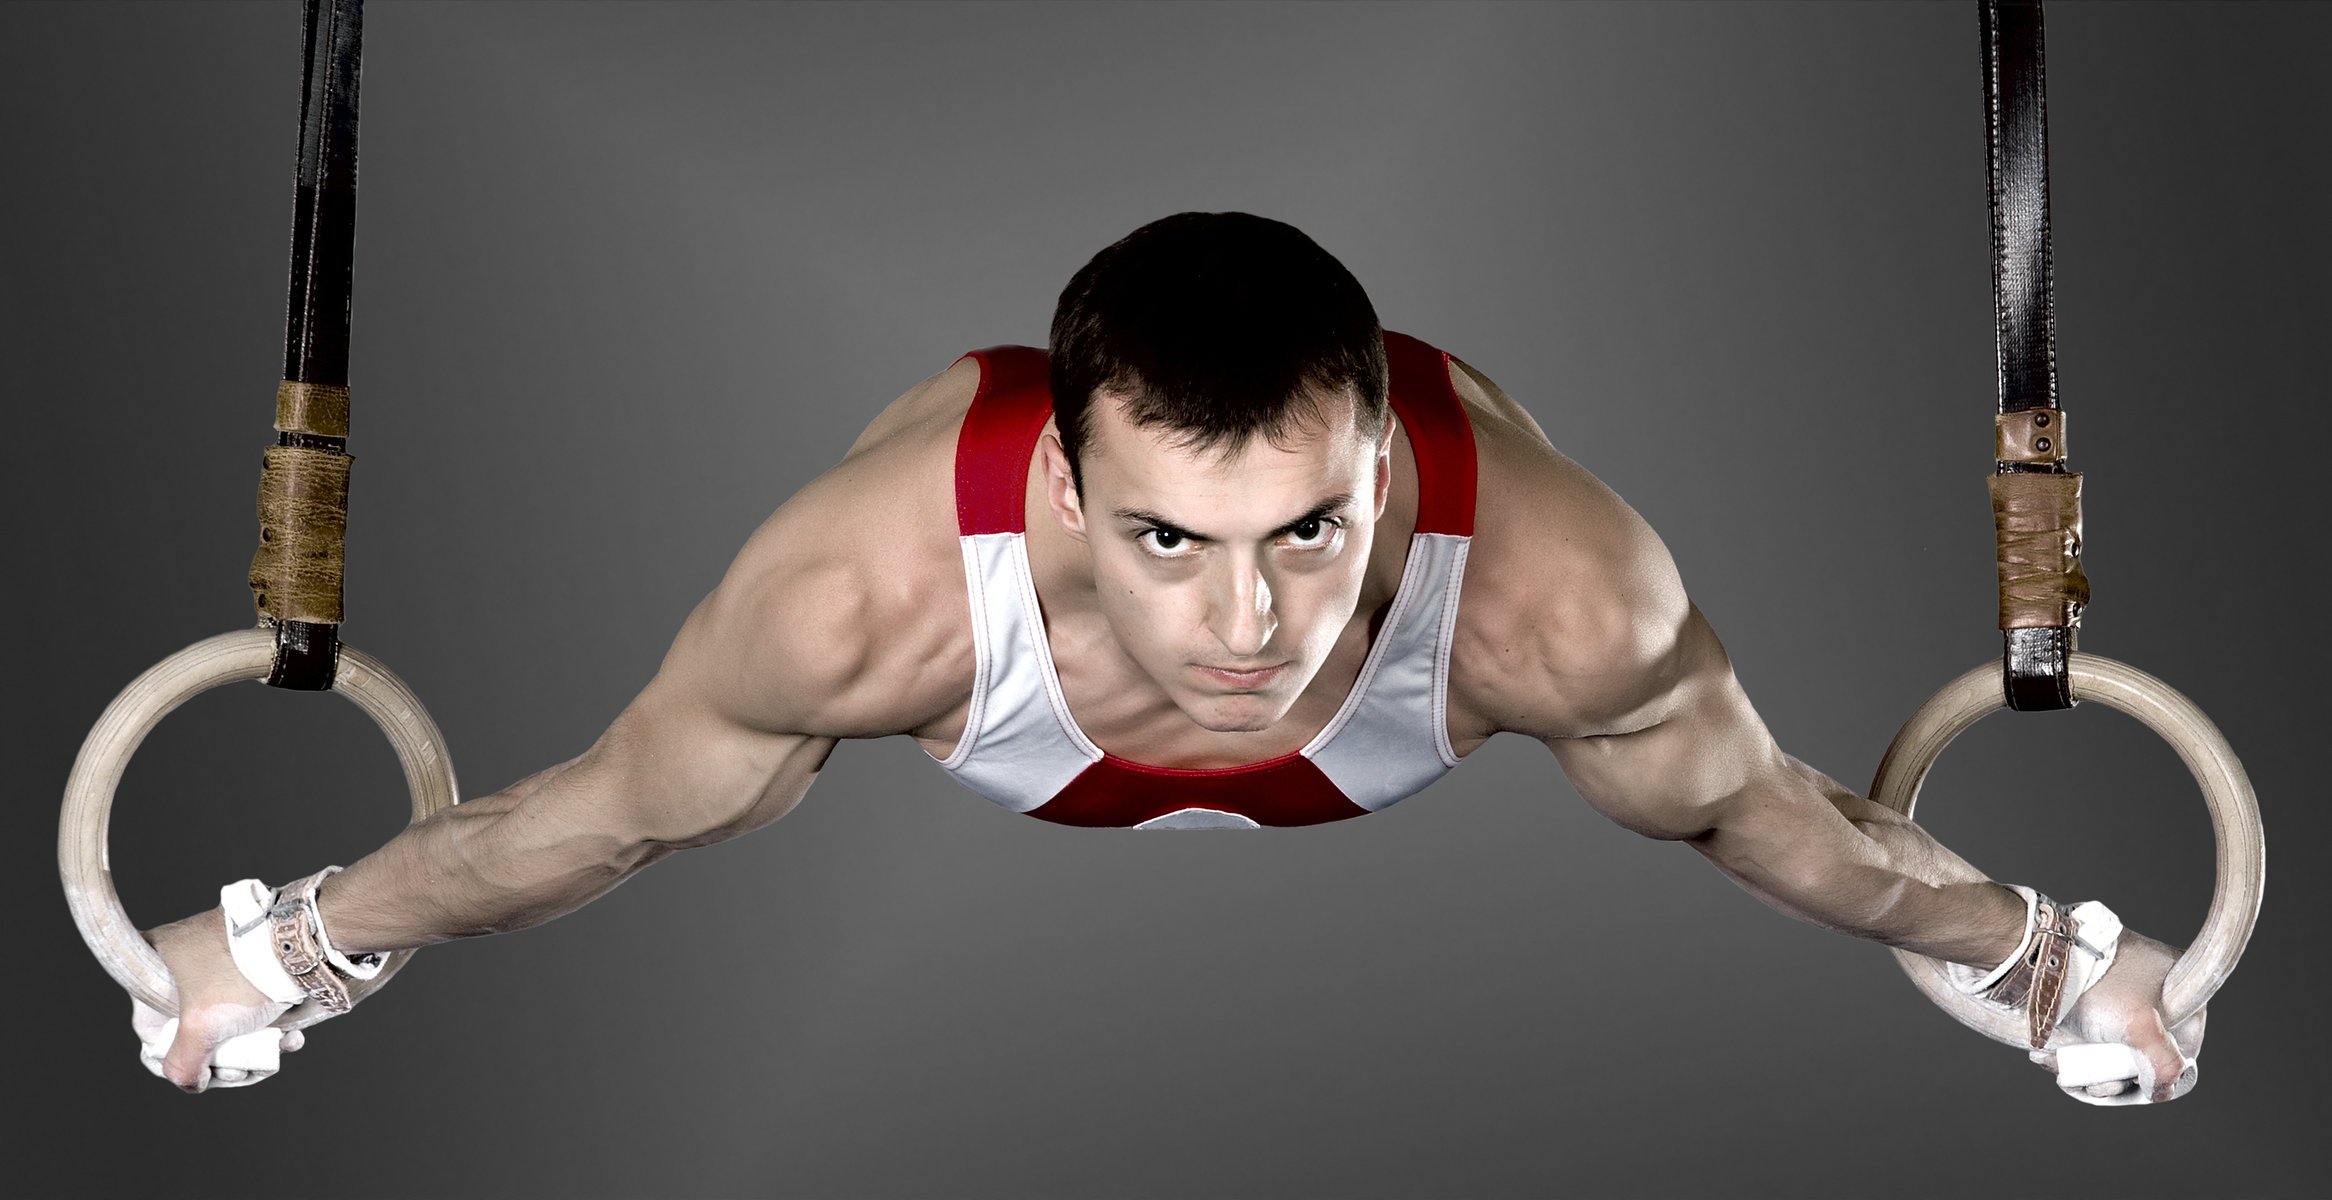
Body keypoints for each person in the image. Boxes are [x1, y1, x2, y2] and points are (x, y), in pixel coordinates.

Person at [135, 211, 2205, 1102]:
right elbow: (593, 820)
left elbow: (1766, 816)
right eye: (1167, 540)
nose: (1245, 629)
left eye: (1309, 531)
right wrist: (309, 932)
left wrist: (2025, 947)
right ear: (1050, 492)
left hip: (1426, 666)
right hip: (996, 677)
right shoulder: (858, 597)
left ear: (1390, 469)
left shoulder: (1555, 595)